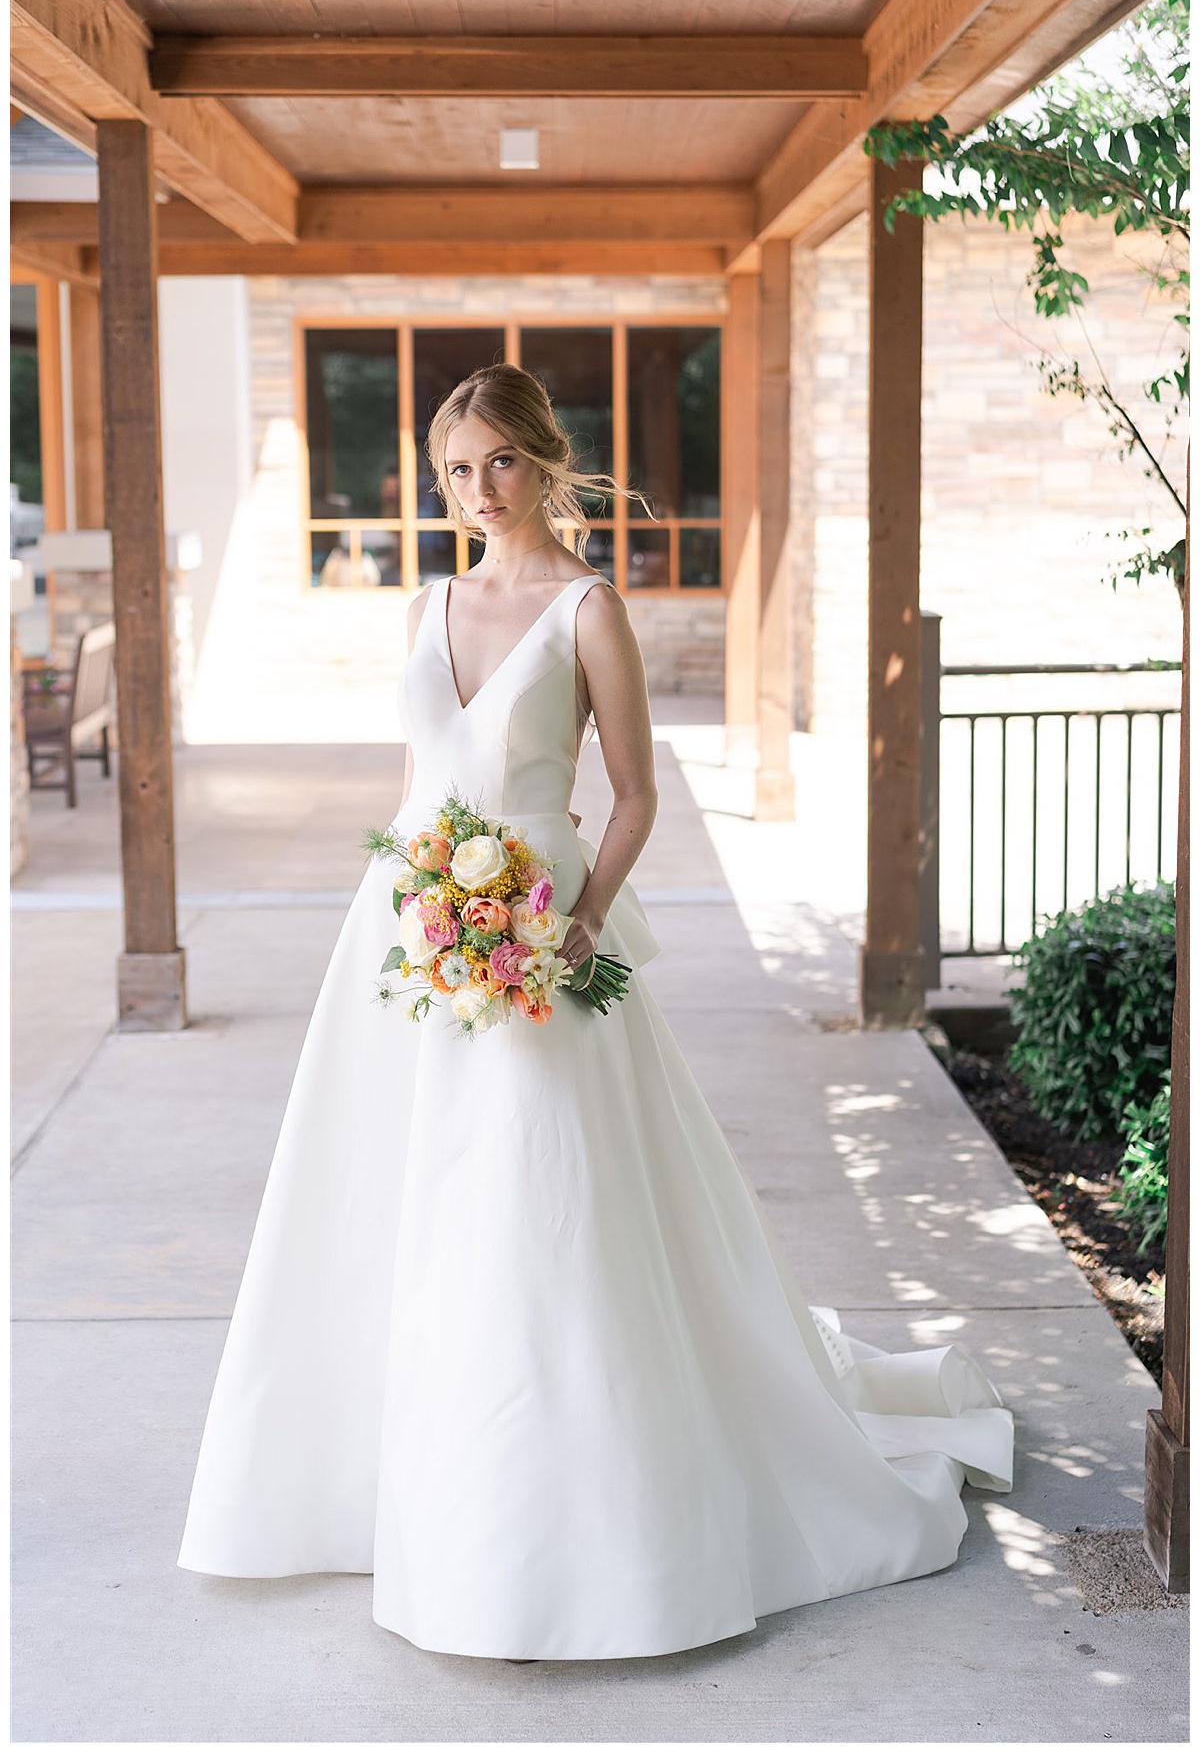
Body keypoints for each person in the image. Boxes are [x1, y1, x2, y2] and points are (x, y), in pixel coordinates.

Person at [178, 362, 1014, 1663]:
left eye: (499, 462)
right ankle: (399, 1489)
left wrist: (571, 921)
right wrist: (413, 897)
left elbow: (632, 796)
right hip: (406, 937)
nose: (477, 490)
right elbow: (419, 782)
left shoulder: (588, 609)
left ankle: (562, 1532)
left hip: (537, 932)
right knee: (389, 1199)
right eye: (456, 469)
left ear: (544, 459)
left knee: (535, 1196)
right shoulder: (425, 600)